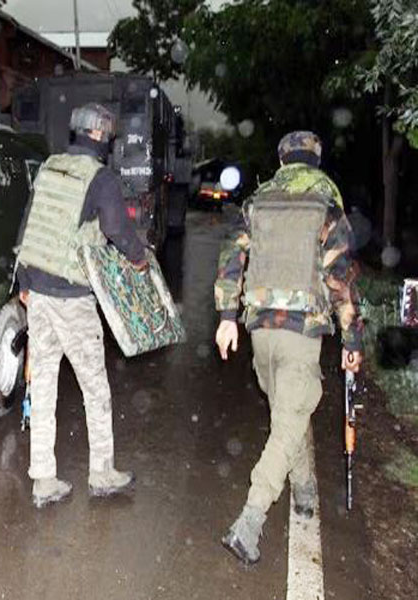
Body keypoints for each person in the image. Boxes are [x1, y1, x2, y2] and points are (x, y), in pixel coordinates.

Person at [214, 130, 363, 564]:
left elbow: (231, 257)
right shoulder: (326, 205)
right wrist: (352, 340)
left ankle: (304, 488)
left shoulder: (258, 201)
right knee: (288, 421)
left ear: (282, 161)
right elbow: (340, 280)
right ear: (315, 161)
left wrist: (227, 318)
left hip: (260, 328)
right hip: (301, 330)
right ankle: (250, 519)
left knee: (287, 413)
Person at [16, 102, 147, 508]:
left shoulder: (49, 167)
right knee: (94, 387)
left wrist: (23, 283)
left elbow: (29, 224)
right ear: (101, 135)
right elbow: (117, 228)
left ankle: (43, 478)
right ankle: (102, 473)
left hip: (38, 293)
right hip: (72, 297)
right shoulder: (100, 177)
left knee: (44, 386)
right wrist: (139, 258)